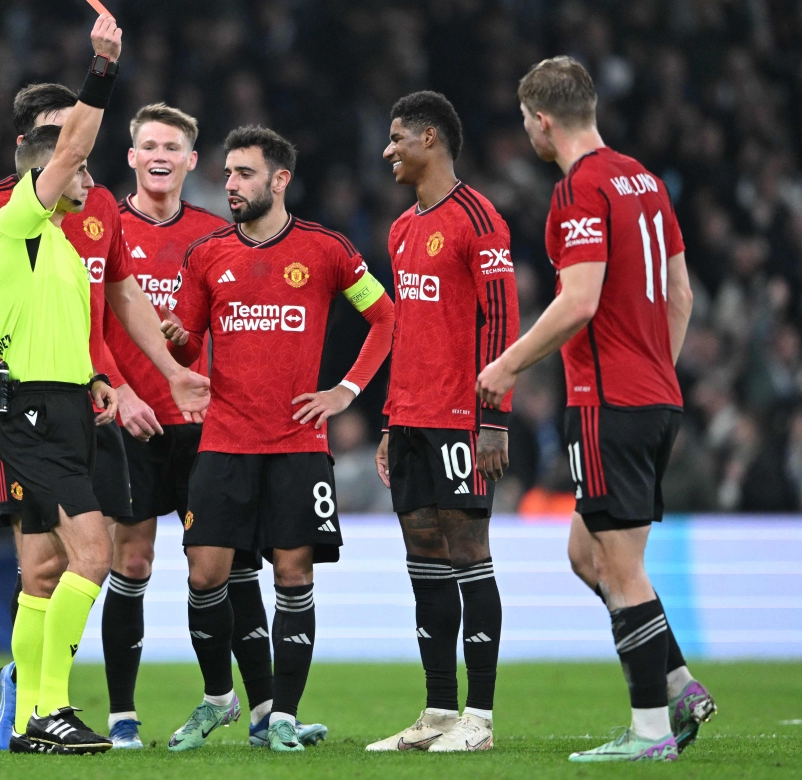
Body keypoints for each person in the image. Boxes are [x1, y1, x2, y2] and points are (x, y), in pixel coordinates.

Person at [0, 89, 208, 749]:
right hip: (27, 411)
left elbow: (108, 302)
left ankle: (30, 717)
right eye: (71, 151)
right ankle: (44, 703)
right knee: (76, 559)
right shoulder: (6, 214)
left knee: (60, 567)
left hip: (79, 403)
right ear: (39, 153)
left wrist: (127, 373)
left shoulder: (89, 214)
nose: (84, 164)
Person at [477, 56, 716, 763]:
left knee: (619, 567)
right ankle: (678, 683)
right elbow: (682, 295)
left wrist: (508, 362)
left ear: (542, 120)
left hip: (608, 401)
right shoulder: (643, 178)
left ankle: (650, 733)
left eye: (526, 122)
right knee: (587, 553)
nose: (527, 134)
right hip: (654, 395)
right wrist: (656, 374)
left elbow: (579, 302)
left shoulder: (579, 189)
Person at [161, 126, 394, 752]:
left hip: (296, 446)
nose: (230, 185)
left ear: (279, 180)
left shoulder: (328, 251)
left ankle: (283, 715)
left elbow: (385, 318)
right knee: (203, 573)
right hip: (224, 440)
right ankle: (219, 699)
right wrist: (170, 338)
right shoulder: (208, 255)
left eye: (243, 174)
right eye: (228, 174)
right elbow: (184, 337)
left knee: (293, 575)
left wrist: (345, 392)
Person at [102, 103, 327, 749]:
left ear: (191, 160)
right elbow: (91, 322)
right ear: (133, 157)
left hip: (207, 428)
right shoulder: (105, 229)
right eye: (149, 145)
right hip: (134, 421)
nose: (161, 155)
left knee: (225, 567)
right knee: (134, 558)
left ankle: (260, 711)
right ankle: (122, 716)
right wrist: (118, 392)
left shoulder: (215, 233)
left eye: (173, 145)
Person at [365, 91, 519, 753]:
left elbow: (503, 321)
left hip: (462, 418)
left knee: (469, 553)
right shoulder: (401, 230)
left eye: (397, 138)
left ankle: (478, 719)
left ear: (430, 138)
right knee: (422, 555)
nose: (387, 151)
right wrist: (392, 420)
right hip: (413, 419)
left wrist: (495, 418)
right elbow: (411, 331)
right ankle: (436, 711)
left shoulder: (479, 218)